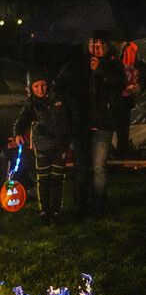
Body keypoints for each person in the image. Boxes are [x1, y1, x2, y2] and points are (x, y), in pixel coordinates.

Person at [57, 30, 125, 217]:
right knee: (81, 167)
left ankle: (99, 204)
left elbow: (118, 87)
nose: (96, 48)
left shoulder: (114, 66)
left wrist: (100, 70)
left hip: (102, 123)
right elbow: (62, 84)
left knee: (98, 167)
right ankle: (81, 205)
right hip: (81, 124)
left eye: (100, 45)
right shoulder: (77, 64)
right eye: (93, 44)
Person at [13, 67, 72, 223]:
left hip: (59, 144)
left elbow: (68, 118)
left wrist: (67, 137)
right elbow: (23, 119)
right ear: (31, 88)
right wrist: (18, 132)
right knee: (43, 179)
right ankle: (44, 211)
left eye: (43, 85)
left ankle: (56, 210)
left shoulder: (58, 98)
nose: (40, 89)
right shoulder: (32, 103)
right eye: (36, 86)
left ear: (48, 84)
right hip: (42, 145)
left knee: (57, 179)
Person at [114, 38, 145, 158]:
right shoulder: (99, 45)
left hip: (124, 96)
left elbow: (142, 68)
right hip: (106, 96)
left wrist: (139, 85)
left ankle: (120, 156)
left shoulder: (132, 47)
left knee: (122, 129)